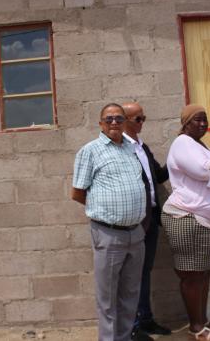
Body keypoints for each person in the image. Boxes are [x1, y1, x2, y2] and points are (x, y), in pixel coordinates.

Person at [72, 103, 147, 341]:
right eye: (109, 119)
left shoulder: (130, 149)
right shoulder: (90, 151)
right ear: (101, 123)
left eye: (118, 118)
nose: (114, 122)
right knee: (107, 298)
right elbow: (78, 192)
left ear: (125, 122)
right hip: (108, 234)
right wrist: (104, 210)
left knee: (130, 294)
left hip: (136, 234)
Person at [160, 104, 210, 341]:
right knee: (192, 275)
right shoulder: (182, 143)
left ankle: (202, 321)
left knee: (203, 274)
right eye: (197, 120)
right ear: (186, 123)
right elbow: (203, 172)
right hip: (188, 217)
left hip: (205, 220)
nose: (203, 124)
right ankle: (196, 329)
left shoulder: (201, 145)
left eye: (205, 120)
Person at [121, 102, 171, 341]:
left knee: (145, 271)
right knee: (132, 274)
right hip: (134, 221)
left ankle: (146, 319)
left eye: (143, 118)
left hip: (150, 219)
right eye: (138, 119)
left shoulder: (142, 147)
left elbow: (158, 176)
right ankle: (132, 326)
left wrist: (177, 159)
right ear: (126, 120)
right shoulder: (120, 148)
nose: (142, 123)